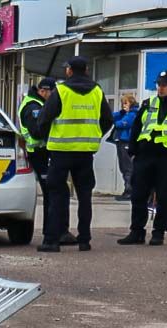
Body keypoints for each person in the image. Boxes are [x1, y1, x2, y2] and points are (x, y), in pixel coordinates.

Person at [32, 56, 114, 252]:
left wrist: (44, 136)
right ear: (86, 70)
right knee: (85, 196)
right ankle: (84, 240)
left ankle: (52, 241)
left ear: (69, 70)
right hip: (85, 153)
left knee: (57, 196)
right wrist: (94, 136)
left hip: (60, 152)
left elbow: (44, 119)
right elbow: (108, 120)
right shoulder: (97, 91)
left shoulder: (61, 90)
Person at [117, 70, 167, 247]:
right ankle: (136, 231)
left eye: (164, 84)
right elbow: (137, 127)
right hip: (145, 156)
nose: (160, 88)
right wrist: (133, 151)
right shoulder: (148, 104)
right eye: (158, 84)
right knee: (138, 195)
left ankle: (158, 233)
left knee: (165, 197)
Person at [18, 77, 56, 238]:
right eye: (52, 92)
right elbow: (36, 131)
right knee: (50, 192)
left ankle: (52, 230)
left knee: (52, 191)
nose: (53, 96)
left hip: (41, 152)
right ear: (43, 91)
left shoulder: (38, 103)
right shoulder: (33, 107)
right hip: (38, 152)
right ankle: (50, 231)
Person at [112, 93, 139, 200]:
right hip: (121, 142)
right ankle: (127, 189)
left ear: (131, 103)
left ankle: (130, 190)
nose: (124, 105)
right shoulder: (125, 113)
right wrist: (121, 112)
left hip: (127, 142)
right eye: (122, 103)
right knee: (123, 167)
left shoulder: (133, 114)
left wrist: (118, 121)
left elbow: (123, 123)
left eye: (126, 103)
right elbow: (112, 116)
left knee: (128, 167)